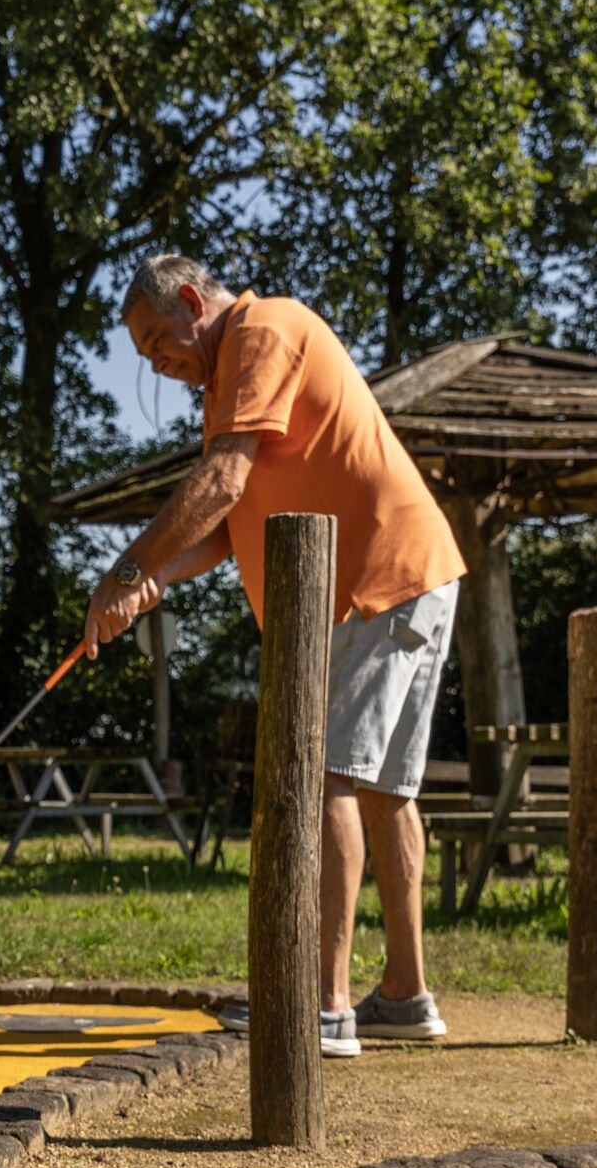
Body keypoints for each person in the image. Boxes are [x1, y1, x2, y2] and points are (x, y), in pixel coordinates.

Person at [84, 254, 466, 1058]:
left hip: (375, 576)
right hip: (410, 570)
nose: (155, 362)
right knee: (386, 791)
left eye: (157, 340)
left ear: (193, 300)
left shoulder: (263, 328)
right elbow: (228, 524)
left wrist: (124, 568)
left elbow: (222, 480)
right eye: (144, 353)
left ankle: (322, 1008)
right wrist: (154, 576)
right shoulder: (225, 383)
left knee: (325, 774)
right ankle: (404, 994)